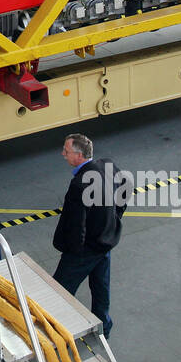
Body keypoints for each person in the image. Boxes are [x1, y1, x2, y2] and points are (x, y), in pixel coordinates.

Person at [52, 134, 127, 337]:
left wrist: (74, 253)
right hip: (106, 241)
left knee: (58, 291)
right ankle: (104, 328)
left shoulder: (79, 185)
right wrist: (114, 219)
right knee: (100, 287)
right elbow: (124, 190)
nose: (63, 154)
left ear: (78, 155)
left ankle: (55, 333)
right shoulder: (108, 166)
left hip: (87, 249)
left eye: (66, 152)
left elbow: (76, 225)